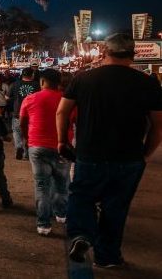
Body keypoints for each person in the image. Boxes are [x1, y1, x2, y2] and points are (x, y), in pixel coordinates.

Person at [57, 34, 162, 268]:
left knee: (82, 197)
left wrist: (62, 140)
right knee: (116, 207)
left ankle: (82, 235)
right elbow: (158, 124)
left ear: (104, 51)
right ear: (133, 54)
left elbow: (62, 111)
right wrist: (145, 153)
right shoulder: (148, 83)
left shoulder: (83, 79)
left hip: (89, 154)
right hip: (129, 158)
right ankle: (107, 256)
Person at [19, 68, 70, 236]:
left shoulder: (30, 99)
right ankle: (61, 214)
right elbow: (76, 120)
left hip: (37, 146)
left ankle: (43, 224)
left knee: (42, 186)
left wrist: (26, 139)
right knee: (62, 183)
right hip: (62, 147)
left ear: (42, 82)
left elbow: (23, 122)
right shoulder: (67, 100)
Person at [10, 67, 40, 160]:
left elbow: (7, 97)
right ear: (32, 75)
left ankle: (19, 147)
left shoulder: (15, 84)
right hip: (32, 114)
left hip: (17, 112)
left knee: (16, 132)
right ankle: (26, 154)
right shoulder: (37, 85)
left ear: (22, 74)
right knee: (28, 134)